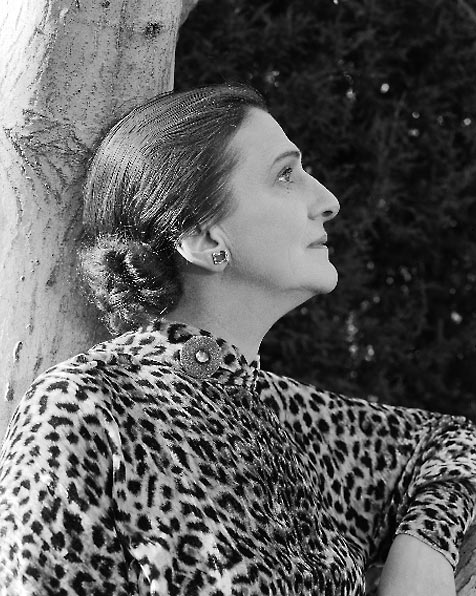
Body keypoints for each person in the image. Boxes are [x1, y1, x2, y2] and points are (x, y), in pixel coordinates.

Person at [0, 84, 475, 596]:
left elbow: (454, 442)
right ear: (203, 239)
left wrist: (425, 547)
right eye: (285, 175)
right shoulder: (87, 407)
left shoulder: (289, 416)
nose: (328, 201)